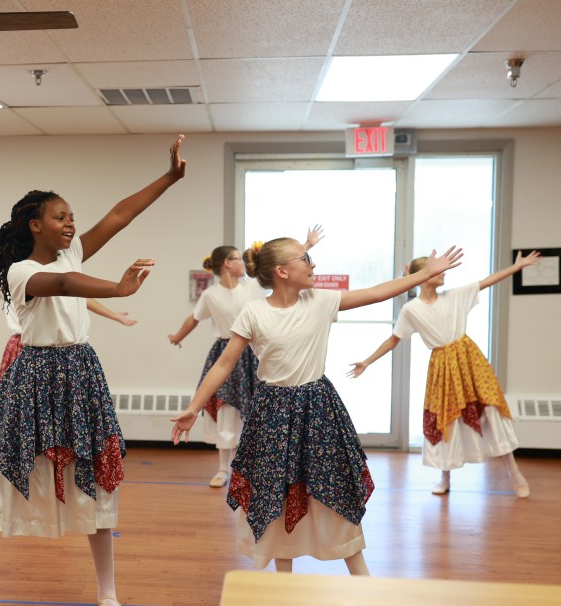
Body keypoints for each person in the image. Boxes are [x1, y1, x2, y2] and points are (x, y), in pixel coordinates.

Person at [0, 134, 186, 606]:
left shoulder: (73, 253)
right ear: (35, 225)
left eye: (72, 217)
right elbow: (65, 285)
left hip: (81, 374)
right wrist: (117, 288)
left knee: (97, 478)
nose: (70, 223)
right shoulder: (20, 271)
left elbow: (119, 214)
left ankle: (107, 590)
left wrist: (170, 178)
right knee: (0, 480)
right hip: (34, 379)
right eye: (60, 217)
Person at [171, 237, 463, 575]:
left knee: (333, 487)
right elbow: (224, 364)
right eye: (305, 258)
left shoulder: (320, 301)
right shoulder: (254, 312)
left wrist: (424, 274)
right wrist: (194, 407)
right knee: (277, 493)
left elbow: (377, 292)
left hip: (318, 409)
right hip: (272, 414)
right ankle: (284, 579)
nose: (313, 264)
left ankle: (361, 577)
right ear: (282, 271)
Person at [348, 250, 540, 497]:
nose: (443, 273)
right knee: (445, 419)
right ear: (421, 276)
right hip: (442, 368)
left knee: (490, 411)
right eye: (437, 270)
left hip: (470, 361)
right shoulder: (411, 309)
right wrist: (367, 361)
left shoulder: (455, 296)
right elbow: (393, 340)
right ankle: (445, 476)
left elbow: (487, 281)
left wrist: (516, 267)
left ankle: (514, 473)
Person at [167, 227, 323, 488]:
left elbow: (281, 265)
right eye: (238, 258)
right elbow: (193, 319)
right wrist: (177, 337)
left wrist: (307, 245)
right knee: (227, 410)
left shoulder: (250, 287)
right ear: (228, 264)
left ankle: (256, 467)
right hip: (227, 352)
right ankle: (222, 469)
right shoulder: (210, 294)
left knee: (255, 412)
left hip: (252, 355)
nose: (243, 262)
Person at [0, 243, 138, 387]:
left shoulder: (46, 281)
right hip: (23, 347)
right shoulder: (14, 284)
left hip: (53, 351)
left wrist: (114, 315)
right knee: (20, 406)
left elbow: (83, 299)